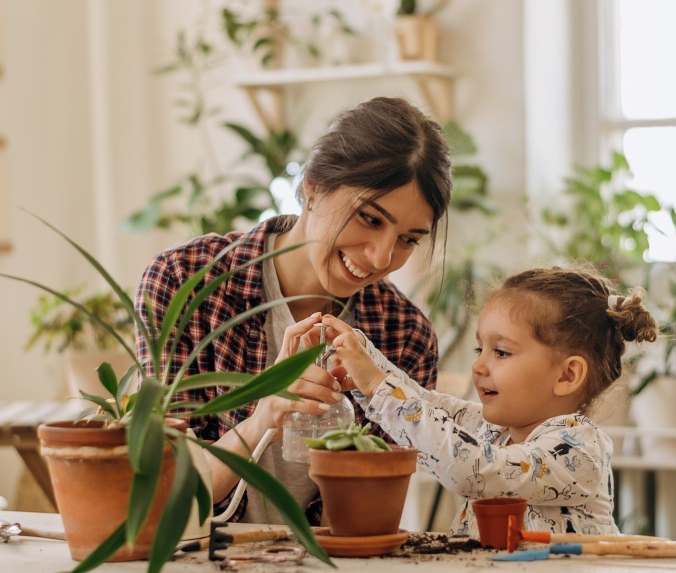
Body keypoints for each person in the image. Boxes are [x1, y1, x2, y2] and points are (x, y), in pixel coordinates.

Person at [134, 96, 452, 524]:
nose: (381, 258)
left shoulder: (403, 334)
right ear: (313, 187)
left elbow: (366, 523)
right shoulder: (185, 282)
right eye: (371, 219)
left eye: (408, 239)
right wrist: (263, 414)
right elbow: (159, 498)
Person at [311, 266, 658, 536]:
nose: (478, 366)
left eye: (501, 352)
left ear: (567, 376)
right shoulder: (497, 432)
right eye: (481, 349)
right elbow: (428, 406)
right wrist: (363, 359)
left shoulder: (579, 449)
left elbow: (471, 468)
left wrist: (376, 384)